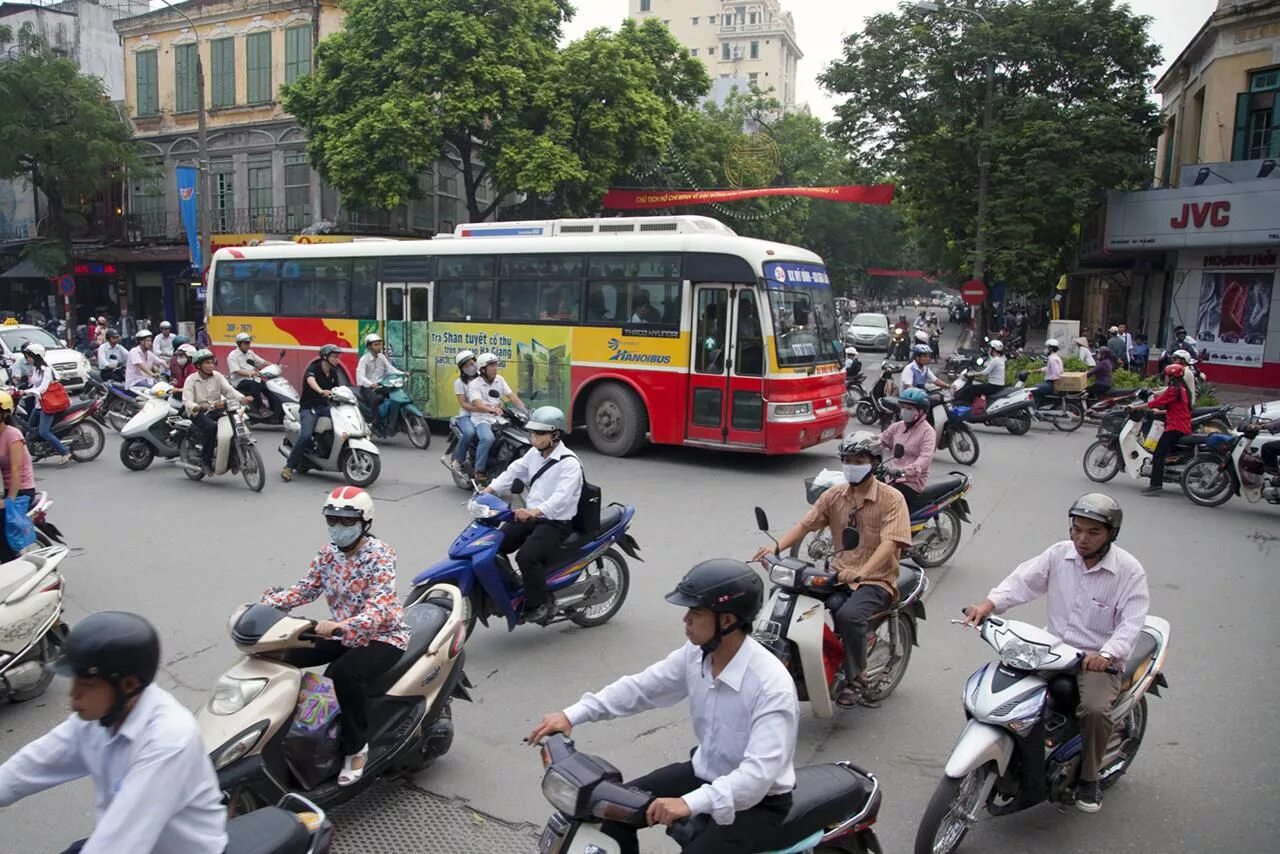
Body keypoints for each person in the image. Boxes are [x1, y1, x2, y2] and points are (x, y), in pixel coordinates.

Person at [527, 560, 798, 854]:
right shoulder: (696, 655)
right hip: (703, 772)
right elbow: (642, 688)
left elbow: (757, 776)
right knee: (610, 813)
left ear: (728, 620)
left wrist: (687, 802)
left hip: (756, 804)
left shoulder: (771, 687)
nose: (685, 620)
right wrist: (572, 714)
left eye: (696, 613)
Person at [962, 494, 1149, 814]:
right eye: (1076, 529)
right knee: (1005, 690)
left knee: (1092, 709)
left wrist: (1106, 654)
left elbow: (1131, 624)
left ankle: (1089, 780)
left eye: (1093, 532)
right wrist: (988, 606)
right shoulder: (1059, 555)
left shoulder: (1129, 572)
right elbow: (1022, 581)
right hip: (1051, 652)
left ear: (1111, 534)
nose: (1081, 539)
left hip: (1096, 662)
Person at [0, 611, 228, 852]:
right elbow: (35, 763)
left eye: (86, 684)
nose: (73, 695)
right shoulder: (94, 720)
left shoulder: (168, 740)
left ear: (128, 685)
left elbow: (120, 841)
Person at [261, 487, 410, 787]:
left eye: (346, 521)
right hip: (341, 630)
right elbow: (307, 588)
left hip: (382, 635)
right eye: (332, 519)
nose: (338, 527)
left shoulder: (380, 556)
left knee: (343, 674)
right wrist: (268, 604)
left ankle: (356, 749)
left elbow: (380, 606)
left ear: (364, 521)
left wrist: (344, 625)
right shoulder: (328, 553)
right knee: (279, 652)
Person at [751, 432, 911, 707]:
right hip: (837, 573)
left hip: (876, 578)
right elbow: (805, 525)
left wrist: (863, 572)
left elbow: (889, 544)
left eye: (858, 459)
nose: (852, 465)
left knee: (849, 615)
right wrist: (775, 549)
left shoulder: (892, 498)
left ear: (873, 462)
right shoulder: (835, 495)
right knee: (786, 594)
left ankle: (857, 677)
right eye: (847, 460)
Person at [484, 406, 582, 625]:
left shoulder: (570, 463)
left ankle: (539, 603)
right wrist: (488, 490)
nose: (533, 437)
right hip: (531, 516)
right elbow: (513, 472)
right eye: (532, 432)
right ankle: (513, 587)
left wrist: (534, 511)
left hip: (556, 522)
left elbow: (561, 498)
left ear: (555, 435)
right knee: (495, 544)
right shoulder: (534, 454)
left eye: (539, 433)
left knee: (526, 557)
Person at [182, 350, 251, 476]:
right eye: (207, 363)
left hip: (217, 408)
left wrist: (242, 398)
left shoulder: (218, 376)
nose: (210, 366)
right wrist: (197, 406)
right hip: (199, 413)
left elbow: (229, 391)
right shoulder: (191, 380)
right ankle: (206, 462)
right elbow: (187, 401)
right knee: (211, 428)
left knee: (237, 421)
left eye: (212, 363)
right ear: (198, 365)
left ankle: (233, 457)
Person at [282, 344, 345, 482]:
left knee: (343, 422)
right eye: (334, 356)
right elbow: (311, 381)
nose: (337, 359)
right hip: (309, 408)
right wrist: (321, 390)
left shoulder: (333, 372)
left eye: (337, 356)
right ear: (325, 357)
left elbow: (338, 389)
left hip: (324, 407)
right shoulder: (313, 369)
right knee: (305, 436)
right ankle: (288, 467)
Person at [1130, 364, 1191, 496]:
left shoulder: (1173, 390)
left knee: (1159, 454)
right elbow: (1177, 408)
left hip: (1175, 426)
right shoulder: (1182, 389)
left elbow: (1156, 402)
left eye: (1167, 376)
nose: (1166, 378)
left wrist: (1136, 408)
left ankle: (1155, 485)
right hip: (1181, 424)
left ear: (1171, 377)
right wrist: (1161, 412)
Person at [466, 352, 526, 484]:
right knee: (488, 438)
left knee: (513, 434)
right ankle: (479, 470)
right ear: (482, 369)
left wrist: (525, 410)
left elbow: (511, 396)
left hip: (498, 417)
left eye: (495, 365)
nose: (495, 368)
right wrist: (491, 409)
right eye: (491, 366)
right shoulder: (474, 385)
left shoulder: (499, 379)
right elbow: (477, 403)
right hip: (481, 419)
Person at [878, 388, 936, 508]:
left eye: (909, 408)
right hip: (891, 476)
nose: (904, 411)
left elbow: (925, 458)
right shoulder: (897, 427)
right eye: (903, 407)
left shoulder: (928, 432)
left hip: (911, 482)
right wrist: (862, 444)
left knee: (886, 504)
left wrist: (903, 470)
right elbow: (881, 440)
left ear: (921, 411)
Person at [19, 343, 71, 465]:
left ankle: (65, 452)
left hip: (48, 405)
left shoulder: (46, 370)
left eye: (28, 356)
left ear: (36, 356)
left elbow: (42, 388)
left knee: (43, 431)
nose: (27, 359)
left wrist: (27, 392)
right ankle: (37, 451)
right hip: (38, 404)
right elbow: (34, 385)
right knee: (29, 429)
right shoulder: (35, 369)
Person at [0, 391, 37, 562]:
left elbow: (16, 469)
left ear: (4, 414)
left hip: (20, 490)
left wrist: (9, 501)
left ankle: (10, 562)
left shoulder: (12, 435)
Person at [444, 350, 483, 475]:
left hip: (485, 415)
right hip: (467, 415)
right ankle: (457, 461)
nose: (471, 367)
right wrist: (479, 408)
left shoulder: (484, 378)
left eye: (472, 363)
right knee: (470, 432)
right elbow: (463, 404)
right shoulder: (459, 383)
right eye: (466, 366)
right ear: (461, 368)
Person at [226, 332, 273, 418]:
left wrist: (274, 366)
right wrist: (250, 373)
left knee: (265, 386)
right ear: (239, 344)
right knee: (254, 385)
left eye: (249, 343)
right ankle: (260, 408)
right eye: (246, 343)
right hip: (239, 381)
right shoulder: (232, 355)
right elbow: (236, 371)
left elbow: (262, 361)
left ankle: (274, 408)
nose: (248, 345)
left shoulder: (250, 353)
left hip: (253, 378)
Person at [356, 333, 394, 428]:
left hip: (381, 385)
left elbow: (390, 369)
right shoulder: (364, 360)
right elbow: (360, 376)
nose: (378, 347)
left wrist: (402, 373)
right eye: (375, 345)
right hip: (367, 388)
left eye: (379, 344)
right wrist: (371, 384)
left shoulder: (382, 357)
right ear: (369, 347)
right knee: (376, 399)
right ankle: (375, 422)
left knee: (395, 395)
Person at [954, 339, 1006, 405]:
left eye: (990, 348)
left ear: (993, 349)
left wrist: (973, 374)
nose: (989, 350)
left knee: (970, 389)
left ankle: (966, 405)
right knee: (976, 387)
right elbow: (988, 368)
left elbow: (985, 372)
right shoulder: (1001, 359)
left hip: (993, 386)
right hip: (998, 385)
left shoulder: (995, 360)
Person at [1031, 338, 1064, 409]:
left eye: (1047, 347)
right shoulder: (1056, 357)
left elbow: (1056, 373)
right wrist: (1034, 371)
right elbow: (1048, 368)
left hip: (1051, 384)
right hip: (1051, 383)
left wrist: (1055, 388)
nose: (1046, 349)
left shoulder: (1052, 359)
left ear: (1051, 348)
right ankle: (1041, 406)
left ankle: (1035, 409)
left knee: (1033, 389)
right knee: (1037, 387)